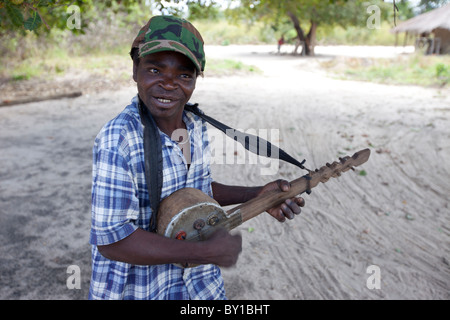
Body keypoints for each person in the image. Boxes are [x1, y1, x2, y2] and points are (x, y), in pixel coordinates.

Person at [89, 15, 305, 300]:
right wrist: (199, 251)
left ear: (195, 80)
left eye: (184, 75)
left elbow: (194, 192)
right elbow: (112, 242)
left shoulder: (194, 124)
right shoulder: (120, 139)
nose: (168, 84)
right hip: (141, 290)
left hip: (199, 287)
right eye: (154, 69)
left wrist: (257, 194)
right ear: (135, 70)